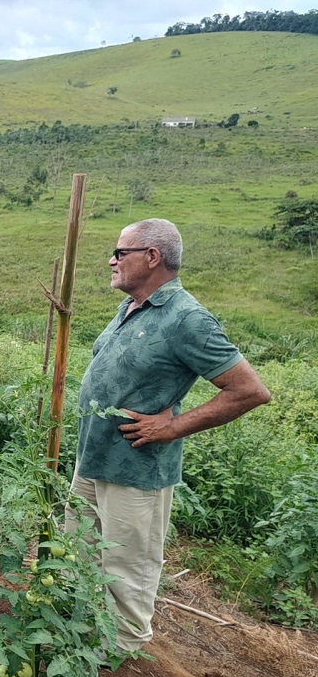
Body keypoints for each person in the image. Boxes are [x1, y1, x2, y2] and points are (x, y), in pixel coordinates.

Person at [68, 218, 270, 654]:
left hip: (136, 469)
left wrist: (173, 425)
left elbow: (249, 391)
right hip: (93, 460)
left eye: (120, 253)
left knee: (127, 565)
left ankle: (121, 653)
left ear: (152, 257)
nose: (111, 260)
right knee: (80, 552)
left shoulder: (187, 319)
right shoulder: (132, 307)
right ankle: (83, 635)